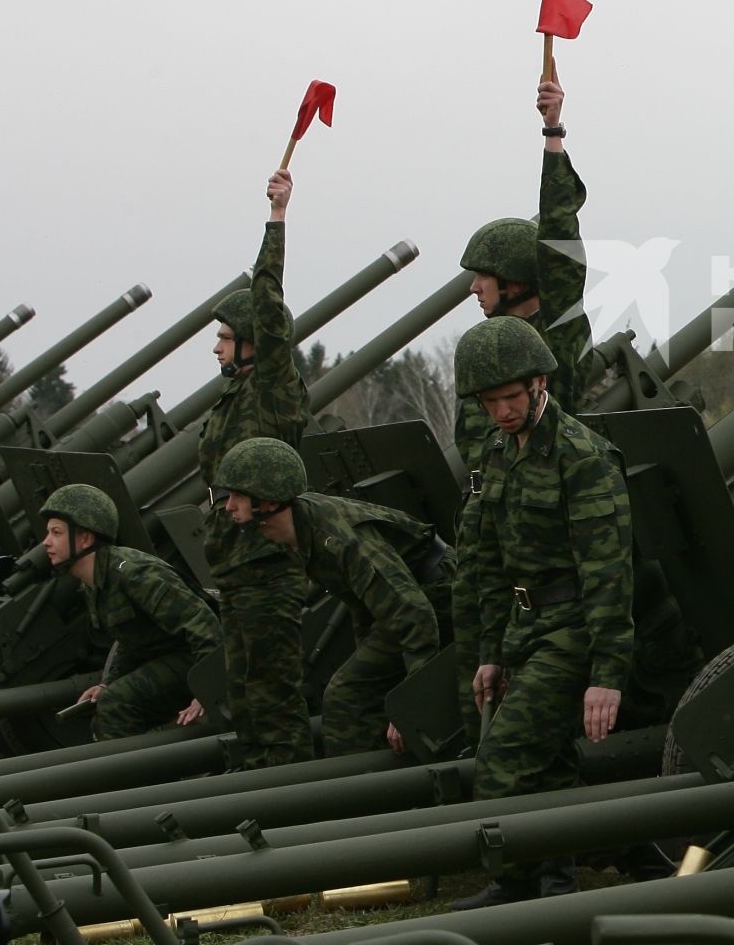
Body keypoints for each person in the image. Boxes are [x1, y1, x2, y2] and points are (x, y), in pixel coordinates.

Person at [450, 315, 633, 908]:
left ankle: (519, 884)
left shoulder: (581, 455)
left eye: (510, 397)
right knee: (549, 766)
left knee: (501, 761)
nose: (501, 410)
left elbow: (608, 571)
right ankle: (550, 888)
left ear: (538, 385)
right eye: (489, 401)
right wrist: (490, 653)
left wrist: (606, 676)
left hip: (572, 626)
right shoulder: (498, 451)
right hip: (523, 626)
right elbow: (485, 560)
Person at [451, 77, 597, 741]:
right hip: (492, 560)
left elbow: (562, 243)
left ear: (514, 281)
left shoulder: (554, 343)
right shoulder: (484, 359)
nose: (475, 289)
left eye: (482, 277)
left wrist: (553, 132)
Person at [213, 437, 452, 758]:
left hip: (440, 596)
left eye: (239, 496)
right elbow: (365, 606)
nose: (229, 506)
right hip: (407, 608)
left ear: (268, 501)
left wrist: (413, 698)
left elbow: (413, 613)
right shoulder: (294, 529)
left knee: (346, 695)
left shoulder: (335, 536)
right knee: (354, 687)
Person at [199, 167, 315, 770]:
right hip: (236, 568)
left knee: (275, 705)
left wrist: (277, 219)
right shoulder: (232, 400)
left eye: (225, 336)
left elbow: (270, 308)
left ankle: (295, 820)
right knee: (244, 702)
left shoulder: (272, 390)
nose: (217, 347)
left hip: (269, 568)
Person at [40, 484, 218, 740]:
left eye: (56, 533)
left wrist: (210, 688)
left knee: (116, 704)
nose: (46, 542)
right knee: (107, 705)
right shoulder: (95, 582)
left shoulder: (134, 574)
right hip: (176, 657)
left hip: (200, 658)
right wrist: (107, 683)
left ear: (86, 538)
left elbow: (204, 625)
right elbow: (131, 640)